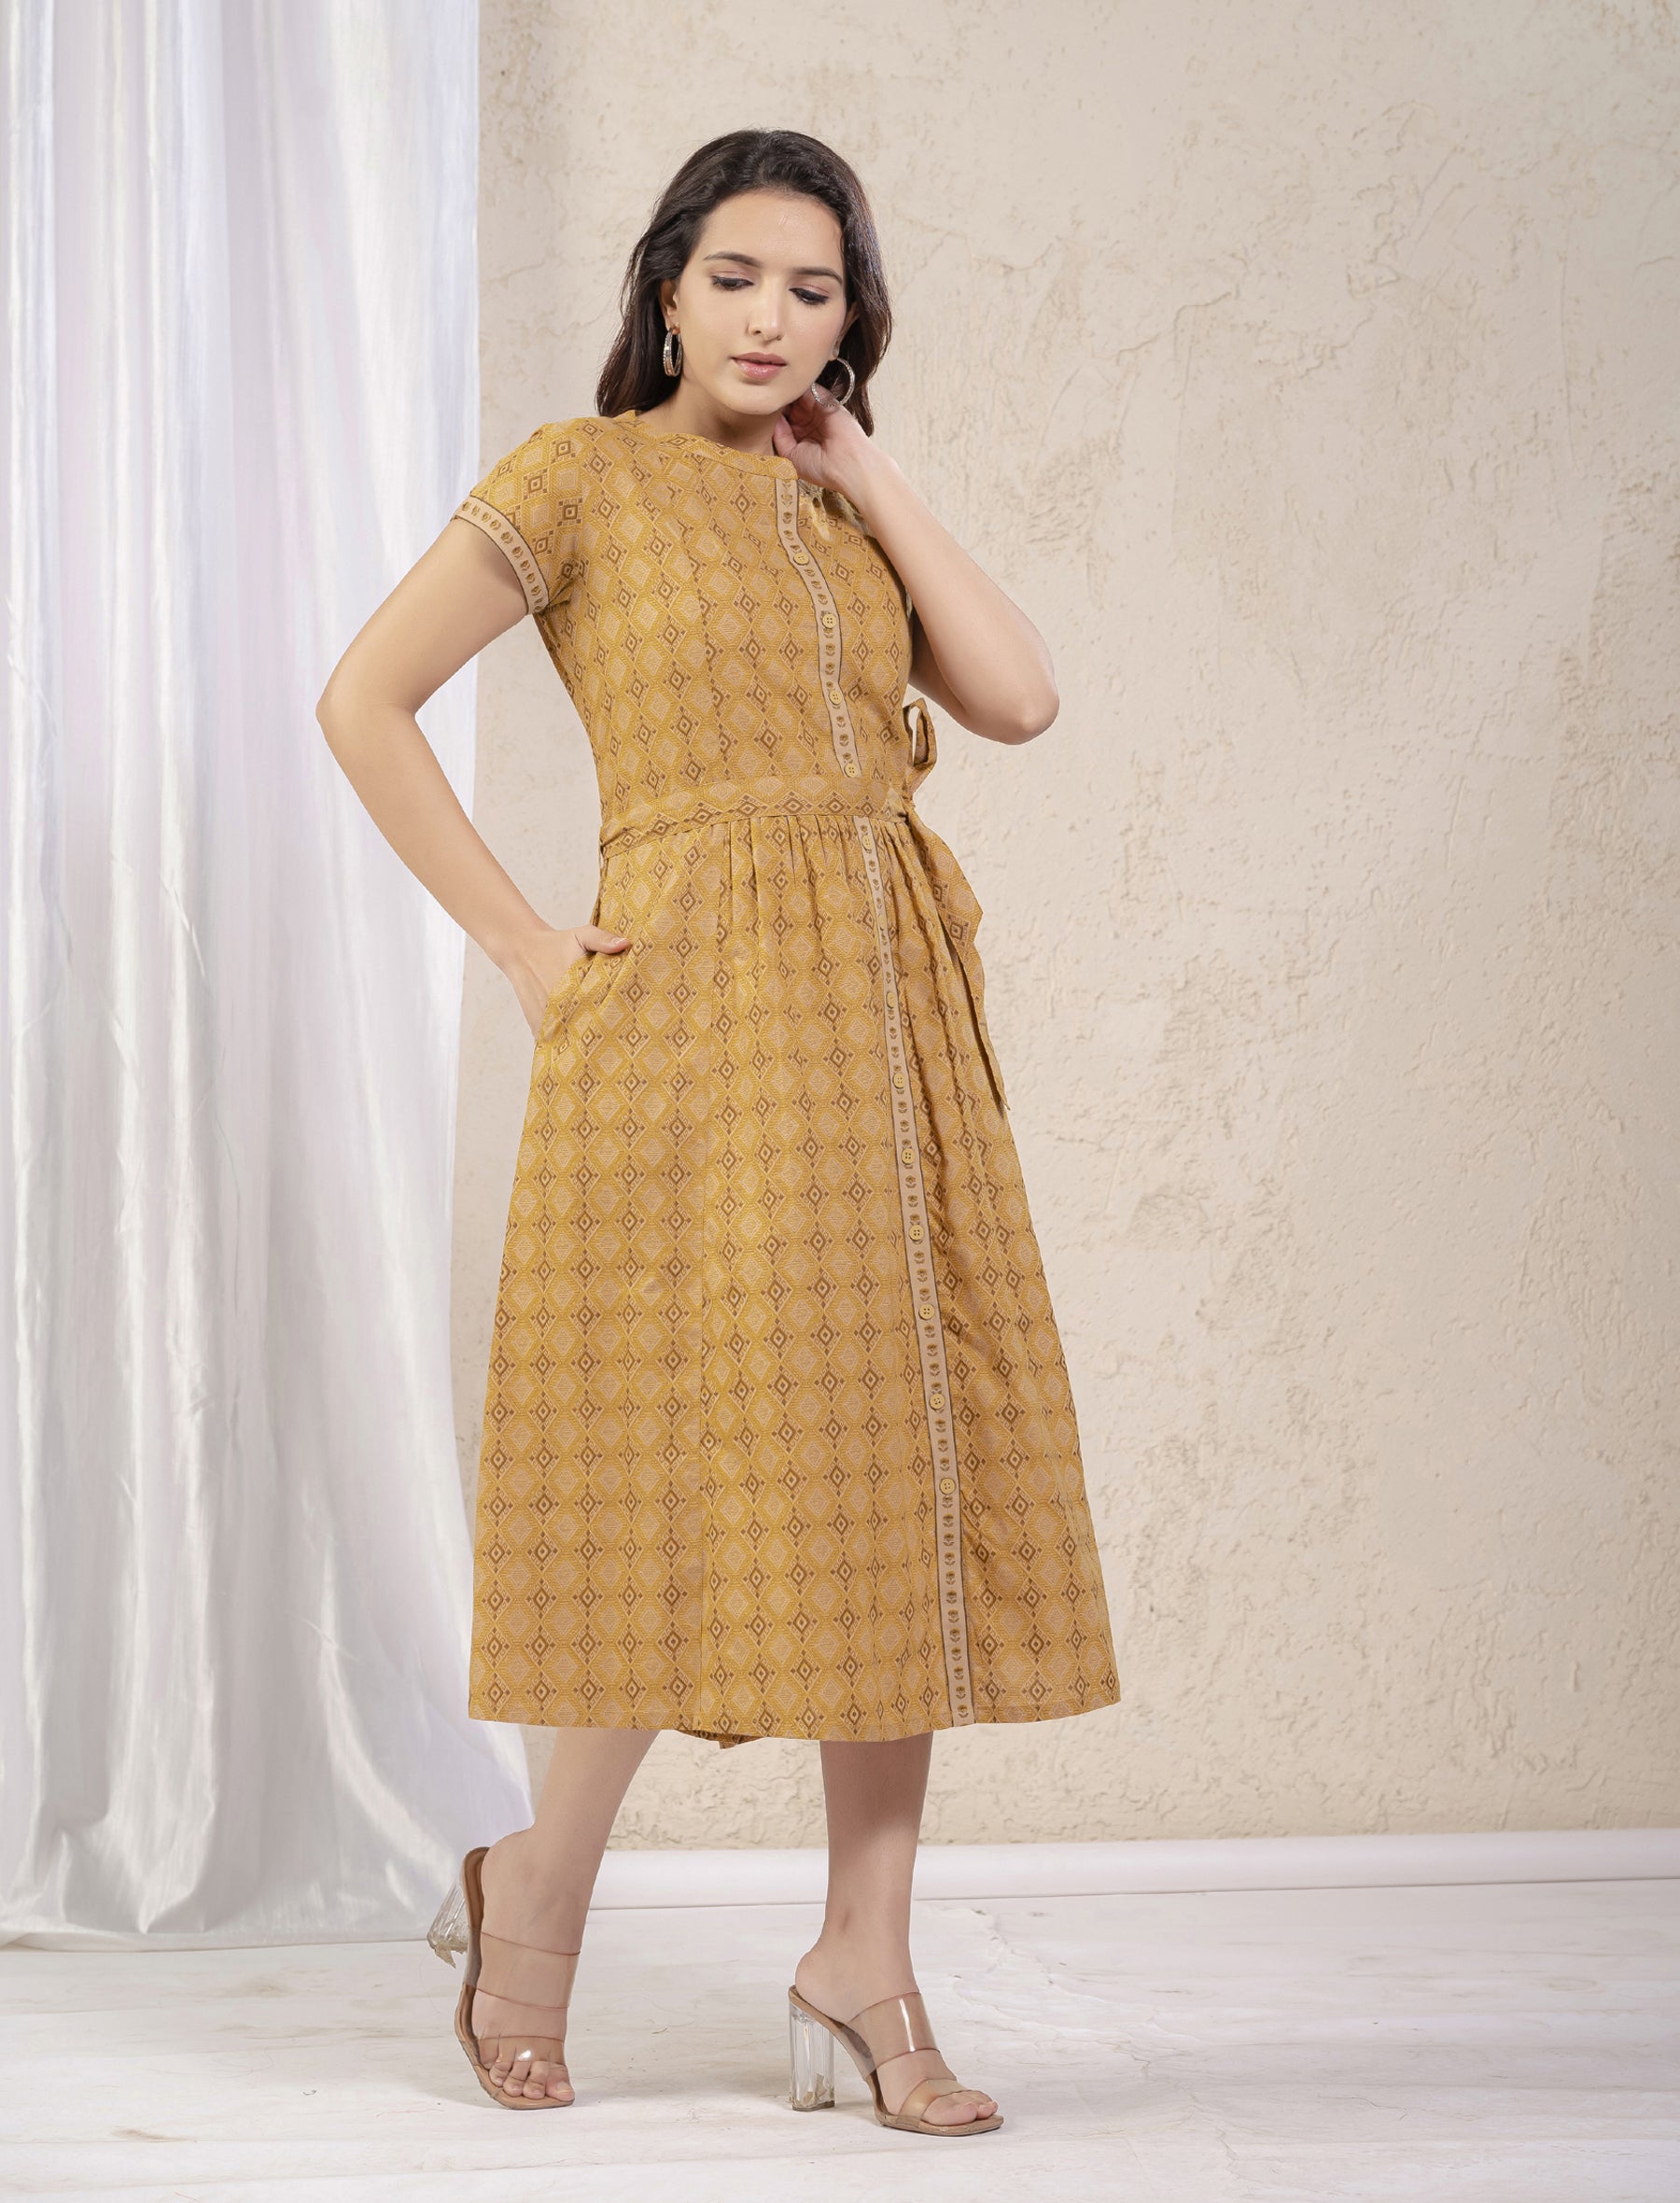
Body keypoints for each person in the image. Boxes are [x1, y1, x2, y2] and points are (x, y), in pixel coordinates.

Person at [317, 127, 1119, 2138]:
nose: (772, 318)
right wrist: (523, 943)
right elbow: (362, 700)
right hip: (684, 1024)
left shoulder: (844, 504)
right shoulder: (575, 479)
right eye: (739, 277)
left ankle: (866, 1954)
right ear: (667, 288)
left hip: (886, 1030)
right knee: (655, 1474)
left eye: (815, 290)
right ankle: (534, 1900)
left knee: (889, 1467)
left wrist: (871, 474)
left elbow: (1019, 700)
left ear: (854, 321)